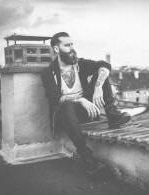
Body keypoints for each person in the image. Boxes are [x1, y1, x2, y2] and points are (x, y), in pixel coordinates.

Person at [41, 32, 131, 174]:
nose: (71, 48)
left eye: (72, 44)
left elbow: (105, 64)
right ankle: (87, 157)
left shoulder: (79, 64)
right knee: (65, 104)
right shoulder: (48, 73)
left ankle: (113, 116)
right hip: (64, 116)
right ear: (57, 49)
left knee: (101, 74)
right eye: (67, 45)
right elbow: (56, 98)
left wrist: (97, 86)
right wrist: (81, 100)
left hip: (83, 112)